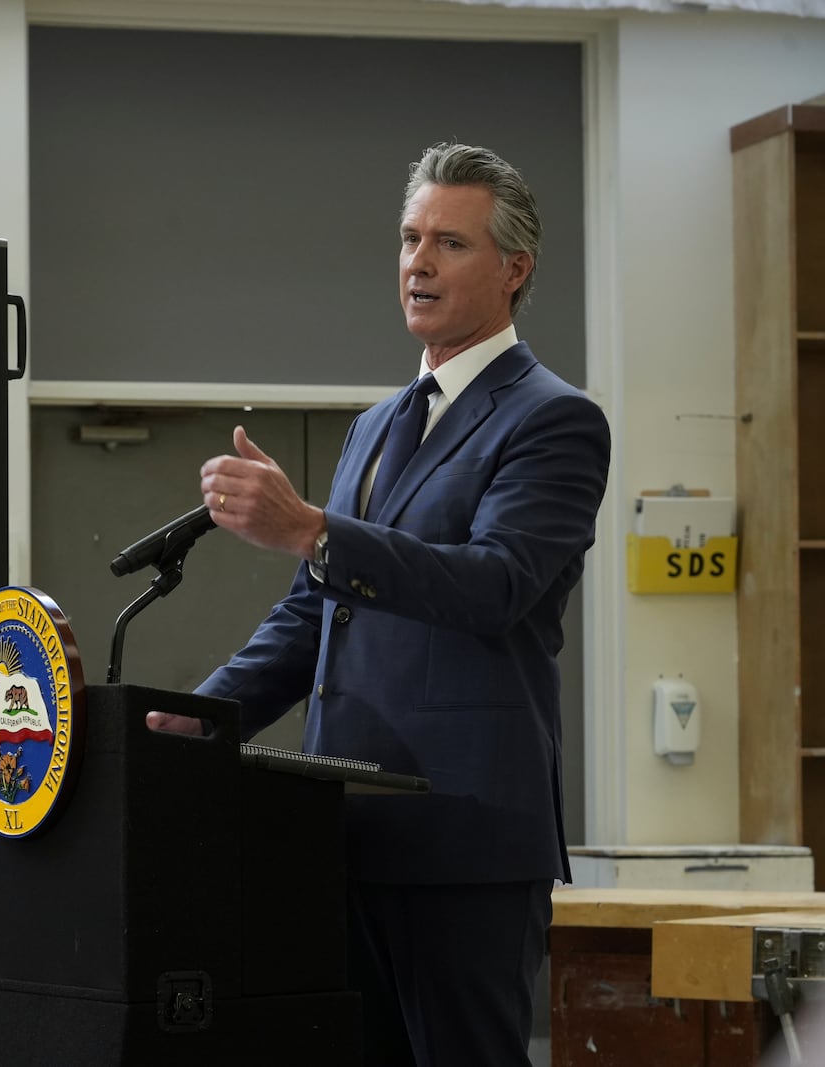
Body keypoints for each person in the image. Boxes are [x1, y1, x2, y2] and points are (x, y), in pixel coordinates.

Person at [147, 142, 611, 1065]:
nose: (417, 263)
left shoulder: (554, 419)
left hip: (464, 835)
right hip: (346, 828)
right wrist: (195, 721)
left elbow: (496, 582)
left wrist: (316, 531)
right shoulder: (376, 425)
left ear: (515, 269)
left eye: (449, 242)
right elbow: (313, 614)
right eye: (408, 239)